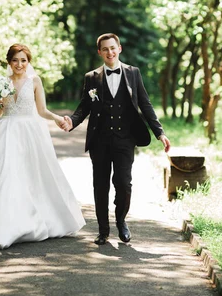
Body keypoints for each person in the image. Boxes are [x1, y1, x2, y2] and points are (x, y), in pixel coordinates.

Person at [0, 43, 85, 249]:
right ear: (9, 62)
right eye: (15, 60)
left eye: (23, 60)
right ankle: (2, 227)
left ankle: (32, 221)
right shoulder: (1, 82)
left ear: (28, 62)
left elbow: (42, 110)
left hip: (29, 131)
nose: (19, 64)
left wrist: (56, 118)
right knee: (5, 176)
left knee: (31, 175)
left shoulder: (34, 81)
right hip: (6, 131)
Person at [62, 33, 170, 245]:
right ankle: (103, 230)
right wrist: (71, 122)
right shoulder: (91, 77)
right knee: (100, 185)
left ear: (119, 48)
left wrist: (160, 132)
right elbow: (84, 107)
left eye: (113, 48)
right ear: (100, 52)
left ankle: (121, 221)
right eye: (105, 49)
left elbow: (145, 104)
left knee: (124, 184)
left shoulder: (133, 73)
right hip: (99, 141)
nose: (110, 52)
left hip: (125, 140)